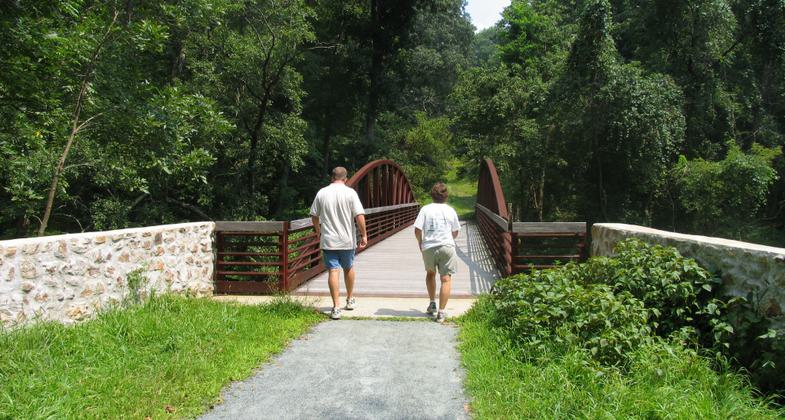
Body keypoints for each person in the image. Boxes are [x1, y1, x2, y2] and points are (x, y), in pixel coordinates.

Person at [310, 167, 368, 320]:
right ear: (345, 179)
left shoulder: (322, 192)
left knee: (333, 271)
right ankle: (349, 299)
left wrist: (318, 231)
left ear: (332, 178)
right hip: (347, 240)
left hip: (329, 240)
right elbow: (359, 215)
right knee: (348, 268)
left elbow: (314, 215)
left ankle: (336, 307)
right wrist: (364, 235)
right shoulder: (350, 193)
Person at [413, 182, 461, 323]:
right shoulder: (451, 210)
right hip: (447, 246)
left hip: (429, 247)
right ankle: (441, 312)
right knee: (446, 278)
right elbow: (456, 231)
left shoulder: (425, 209)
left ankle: (432, 302)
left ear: (432, 195)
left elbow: (417, 230)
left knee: (430, 274)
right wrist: (448, 239)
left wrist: (420, 243)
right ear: (446, 196)